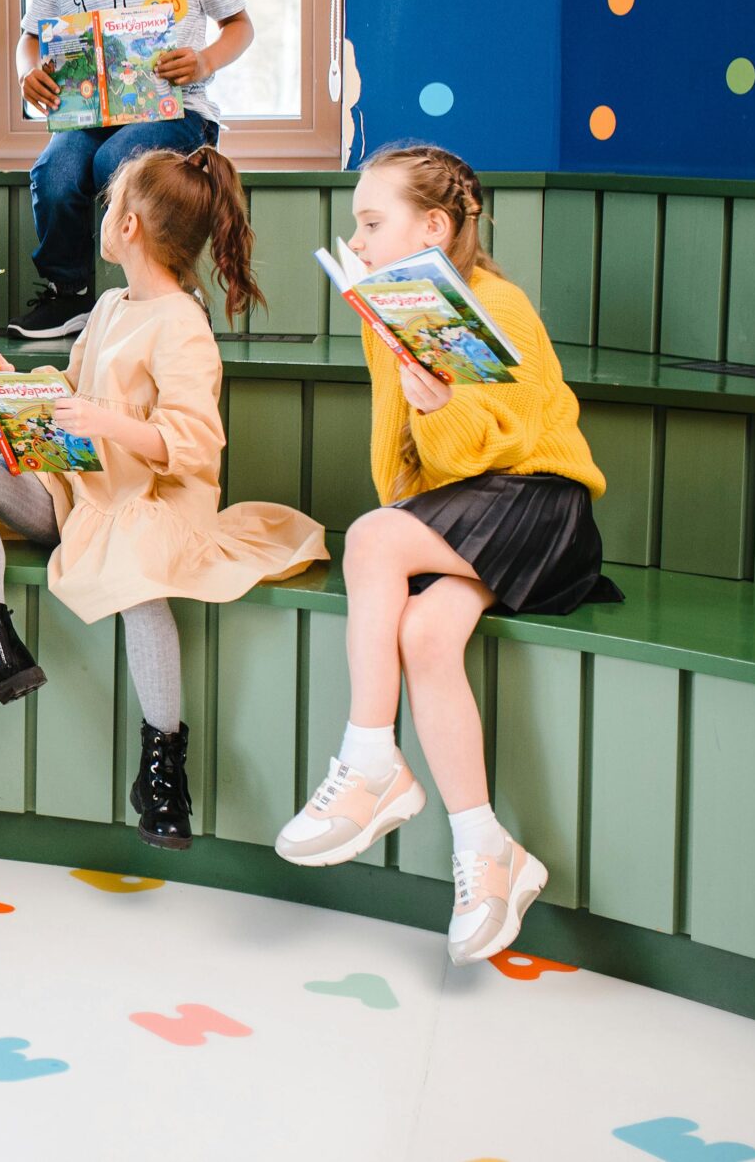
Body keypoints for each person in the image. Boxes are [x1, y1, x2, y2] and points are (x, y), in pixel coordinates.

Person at [277, 144, 619, 966]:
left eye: (371, 221)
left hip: (543, 511)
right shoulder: (390, 309)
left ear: (434, 225)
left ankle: (370, 758)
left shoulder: (497, 303)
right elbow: (406, 462)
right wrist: (415, 472)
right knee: (426, 633)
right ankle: (488, 849)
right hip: (469, 520)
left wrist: (439, 411)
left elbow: (509, 447)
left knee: (369, 534)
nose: (355, 239)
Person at [0, 148, 325, 850]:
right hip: (82, 494)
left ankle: (164, 763)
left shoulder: (182, 323)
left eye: (111, 204)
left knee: (139, 577)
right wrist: (28, 402)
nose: (103, 216)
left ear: (132, 225)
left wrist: (105, 422)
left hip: (151, 506)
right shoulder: (110, 305)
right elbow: (78, 388)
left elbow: (197, 442)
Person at [10, 0, 258, 340]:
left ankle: (161, 286)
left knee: (116, 162)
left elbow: (239, 26)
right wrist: (29, 74)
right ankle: (67, 293)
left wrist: (203, 61)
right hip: (86, 116)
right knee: (57, 168)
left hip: (179, 112)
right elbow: (30, 38)